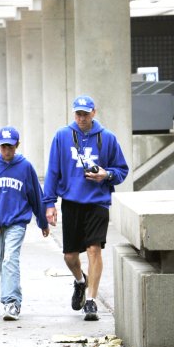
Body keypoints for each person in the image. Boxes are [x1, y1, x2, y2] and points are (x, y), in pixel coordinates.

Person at [43, 95, 129, 321]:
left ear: (94, 113)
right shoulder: (62, 136)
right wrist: (49, 203)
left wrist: (106, 175)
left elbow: (121, 170)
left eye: (85, 113)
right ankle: (81, 281)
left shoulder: (107, 138)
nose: (81, 118)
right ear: (74, 114)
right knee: (70, 257)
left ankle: (91, 301)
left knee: (94, 250)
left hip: (97, 202)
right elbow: (53, 171)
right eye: (78, 113)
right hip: (71, 202)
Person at [0, 126, 49, 321]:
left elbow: (35, 196)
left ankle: (11, 302)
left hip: (17, 222)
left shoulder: (25, 167)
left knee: (10, 260)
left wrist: (42, 221)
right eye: (3, 147)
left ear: (17, 145)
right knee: (1, 263)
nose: (7, 151)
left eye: (11, 147)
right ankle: (13, 293)